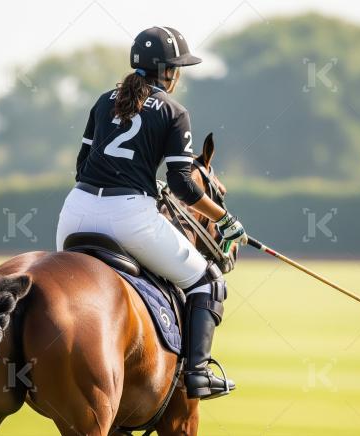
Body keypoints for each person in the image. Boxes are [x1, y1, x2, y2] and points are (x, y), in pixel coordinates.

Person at [56, 27, 247, 400]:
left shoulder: (103, 101)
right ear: (168, 73)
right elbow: (184, 187)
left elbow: (82, 167)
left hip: (74, 214)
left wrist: (137, 176)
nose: (180, 75)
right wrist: (224, 218)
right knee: (207, 280)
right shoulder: (175, 112)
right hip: (129, 217)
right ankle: (196, 373)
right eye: (179, 69)